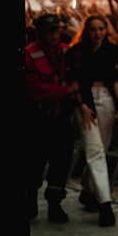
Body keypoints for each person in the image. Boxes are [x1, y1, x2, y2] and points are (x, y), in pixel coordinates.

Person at [65, 14, 118, 227]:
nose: (97, 33)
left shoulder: (111, 50)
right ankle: (105, 204)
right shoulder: (76, 52)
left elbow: (114, 79)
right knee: (95, 150)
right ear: (86, 30)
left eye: (101, 29)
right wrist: (82, 105)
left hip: (107, 100)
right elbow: (74, 80)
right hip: (86, 102)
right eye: (93, 29)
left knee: (103, 147)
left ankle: (89, 190)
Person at [24, 13, 76, 223]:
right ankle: (30, 200)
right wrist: (66, 91)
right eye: (51, 31)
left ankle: (55, 204)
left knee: (61, 163)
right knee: (34, 163)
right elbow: (35, 90)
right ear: (41, 33)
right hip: (38, 119)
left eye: (57, 30)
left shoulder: (67, 52)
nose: (55, 35)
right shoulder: (29, 54)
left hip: (61, 119)